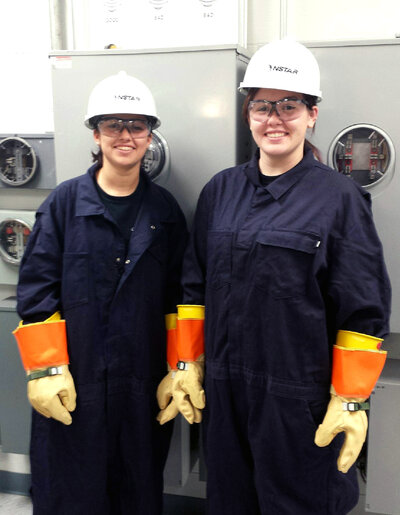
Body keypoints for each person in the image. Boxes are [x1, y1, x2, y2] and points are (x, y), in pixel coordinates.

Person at [156, 39, 391, 514]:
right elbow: (193, 288)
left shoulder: (339, 199)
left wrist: (349, 399)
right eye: (263, 106)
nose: (275, 118)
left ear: (312, 114)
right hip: (224, 395)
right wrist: (186, 365)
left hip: (296, 401)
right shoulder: (220, 191)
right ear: (248, 115)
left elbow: (364, 307)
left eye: (289, 105)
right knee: (229, 502)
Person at [13, 71, 188, 514]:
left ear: (150, 135)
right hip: (74, 383)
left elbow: (181, 295)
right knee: (70, 492)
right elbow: (36, 290)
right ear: (96, 133)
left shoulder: (165, 211)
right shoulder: (64, 204)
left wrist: (181, 366)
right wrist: (47, 371)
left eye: (136, 126)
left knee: (137, 491)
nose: (125, 136)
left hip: (141, 384)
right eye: (113, 125)